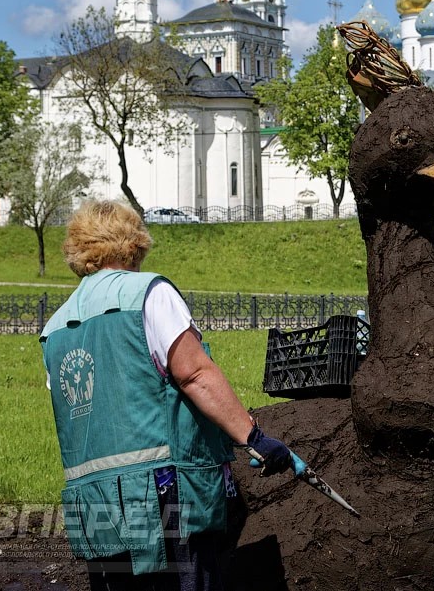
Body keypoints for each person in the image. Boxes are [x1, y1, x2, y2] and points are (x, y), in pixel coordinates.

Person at [40, 200, 296, 591]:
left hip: (94, 508)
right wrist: (254, 438)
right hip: (162, 496)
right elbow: (194, 373)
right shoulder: (149, 293)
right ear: (134, 242)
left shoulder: (55, 327)